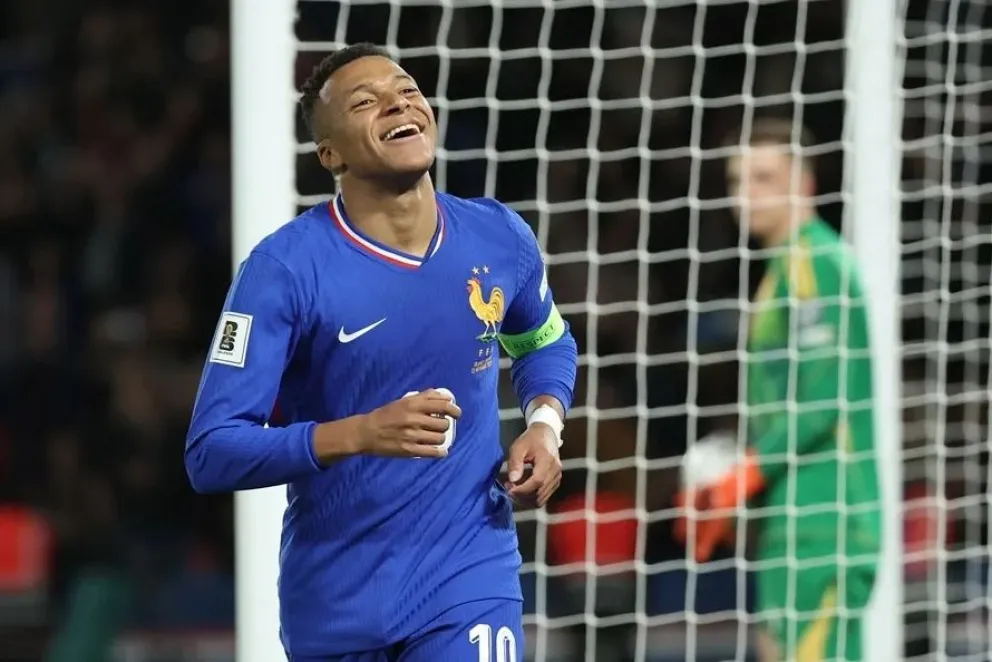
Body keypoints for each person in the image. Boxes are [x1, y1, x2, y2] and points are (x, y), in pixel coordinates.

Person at [185, 43, 577, 662]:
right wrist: (360, 432)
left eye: (407, 89)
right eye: (366, 101)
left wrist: (545, 425)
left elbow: (544, 340)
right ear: (329, 154)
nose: (399, 102)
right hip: (337, 601)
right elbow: (211, 453)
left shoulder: (498, 236)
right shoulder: (283, 270)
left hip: (469, 576)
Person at [676, 118, 881, 662]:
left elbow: (824, 397)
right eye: (737, 181)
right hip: (790, 521)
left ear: (805, 184)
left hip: (827, 518)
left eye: (764, 178)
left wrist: (744, 474)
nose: (746, 195)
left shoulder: (819, 264)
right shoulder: (782, 271)